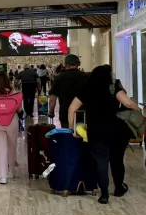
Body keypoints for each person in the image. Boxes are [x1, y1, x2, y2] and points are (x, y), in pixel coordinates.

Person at [68, 65, 142, 204]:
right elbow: (129, 103)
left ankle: (104, 194)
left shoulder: (87, 88)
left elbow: (72, 108)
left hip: (96, 130)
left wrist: (72, 128)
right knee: (117, 159)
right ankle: (119, 188)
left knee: (101, 161)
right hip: (116, 129)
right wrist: (137, 109)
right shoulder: (113, 88)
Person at [49, 54, 87, 129]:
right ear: (79, 64)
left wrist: (51, 112)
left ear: (65, 65)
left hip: (65, 114)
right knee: (83, 137)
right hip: (83, 113)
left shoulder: (59, 78)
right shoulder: (86, 77)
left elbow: (52, 98)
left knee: (68, 137)